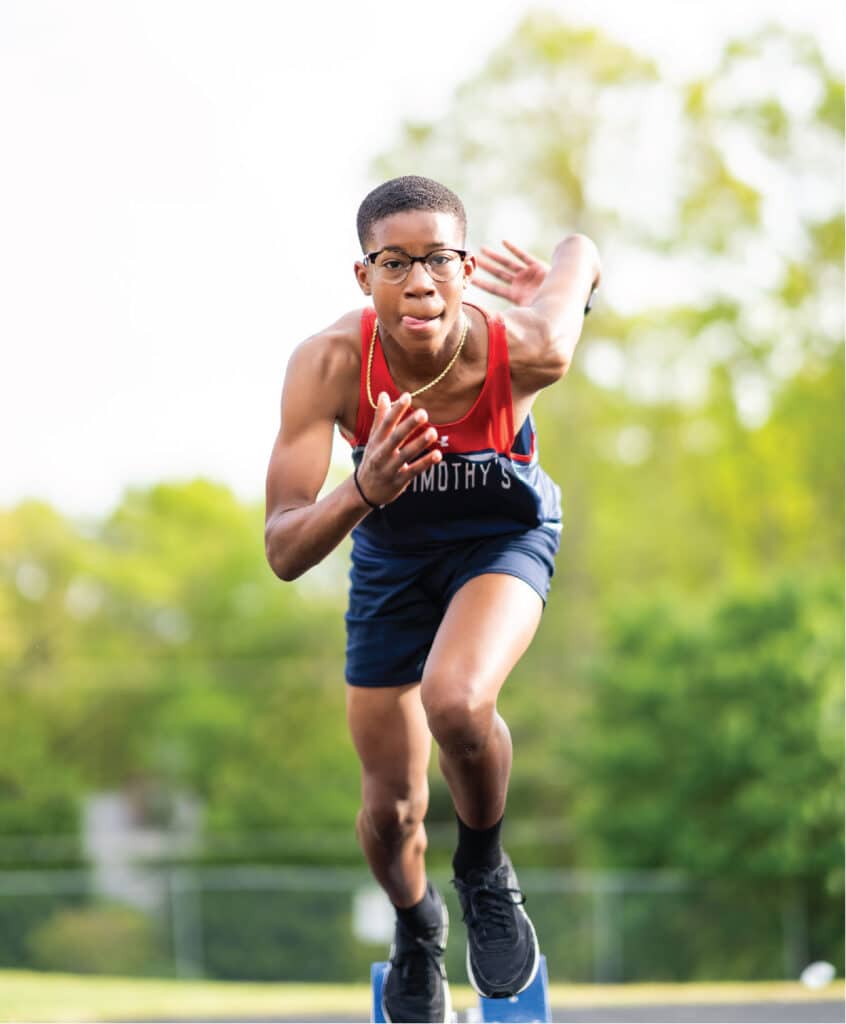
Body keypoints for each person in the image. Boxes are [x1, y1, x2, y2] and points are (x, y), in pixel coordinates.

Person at [265, 175, 600, 1023]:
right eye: (396, 263)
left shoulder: (527, 347)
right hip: (391, 557)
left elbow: (581, 255)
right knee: (391, 809)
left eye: (440, 260)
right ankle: (417, 926)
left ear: (463, 264)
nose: (420, 283)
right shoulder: (330, 365)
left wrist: (569, 268)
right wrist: (361, 489)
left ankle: (485, 873)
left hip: (503, 536)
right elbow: (282, 548)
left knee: (458, 699)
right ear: (364, 275)